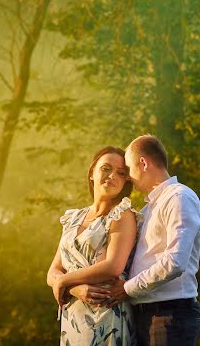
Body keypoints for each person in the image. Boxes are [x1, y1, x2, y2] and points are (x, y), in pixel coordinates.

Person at [105, 134, 200, 346]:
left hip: (169, 315)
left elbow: (174, 263)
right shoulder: (148, 208)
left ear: (143, 163)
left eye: (129, 169)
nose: (129, 178)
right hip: (145, 315)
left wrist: (126, 289)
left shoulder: (180, 197)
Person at [47, 146, 140, 345]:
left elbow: (113, 266)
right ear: (92, 173)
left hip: (105, 314)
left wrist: (64, 282)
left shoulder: (122, 214)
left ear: (125, 181)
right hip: (73, 316)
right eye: (106, 168)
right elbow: (53, 271)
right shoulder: (73, 218)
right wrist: (73, 288)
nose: (112, 175)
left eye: (121, 173)